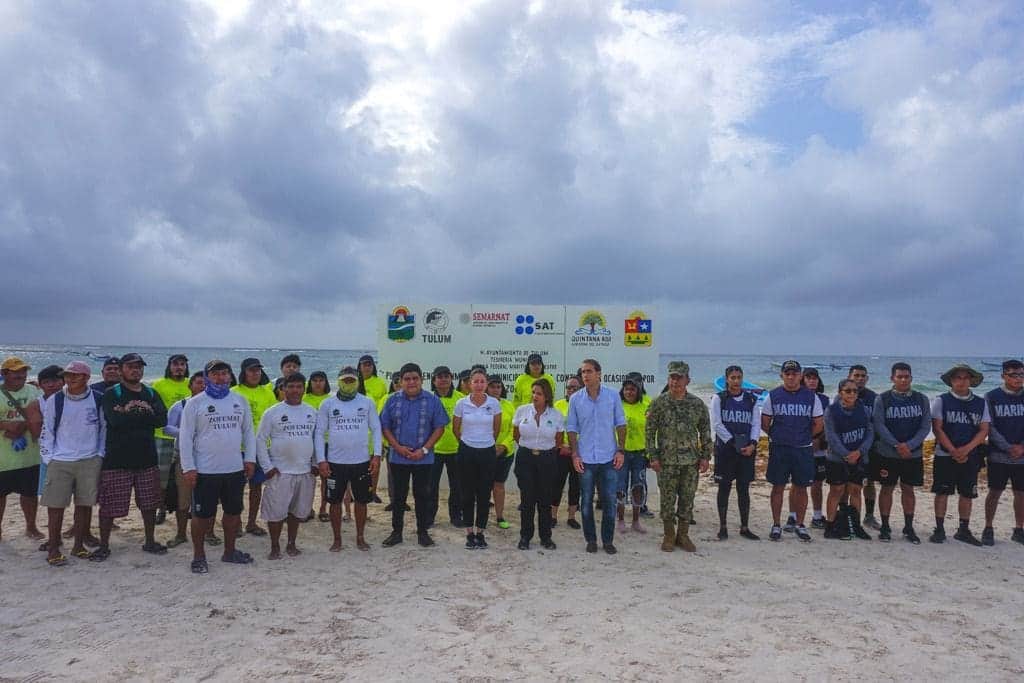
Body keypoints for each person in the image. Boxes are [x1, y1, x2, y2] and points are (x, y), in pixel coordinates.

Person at [179, 360, 257, 573]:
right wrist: (188, 468)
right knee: (202, 517)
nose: (220, 377)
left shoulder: (240, 400)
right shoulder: (195, 403)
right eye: (215, 374)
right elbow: (185, 438)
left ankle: (229, 552)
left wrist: (250, 459)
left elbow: (249, 432)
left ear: (230, 376)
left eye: (224, 373)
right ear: (207, 377)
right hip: (205, 470)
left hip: (234, 469)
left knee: (233, 513)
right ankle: (199, 556)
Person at [94, 353, 169, 561]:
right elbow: (115, 420)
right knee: (109, 506)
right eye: (131, 366)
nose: (135, 370)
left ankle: (150, 540)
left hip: (147, 458)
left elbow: (161, 419)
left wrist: (132, 416)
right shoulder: (112, 393)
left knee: (149, 503)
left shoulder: (151, 392)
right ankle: (104, 545)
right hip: (117, 459)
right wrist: (145, 415)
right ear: (121, 369)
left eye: (139, 367)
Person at [38, 361, 106, 566]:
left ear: (86, 378)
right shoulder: (56, 400)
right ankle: (53, 548)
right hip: (60, 460)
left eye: (75, 375)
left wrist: (100, 455)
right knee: (55, 506)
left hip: (90, 459)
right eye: (67, 375)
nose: (69, 379)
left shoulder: (98, 399)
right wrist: (49, 457)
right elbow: (47, 430)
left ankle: (78, 545)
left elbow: (103, 429)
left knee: (84, 505)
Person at [379, 363, 448, 547]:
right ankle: (396, 532)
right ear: (400, 381)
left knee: (422, 496)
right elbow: (385, 427)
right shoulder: (392, 400)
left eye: (415, 378)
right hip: (398, 457)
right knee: (398, 497)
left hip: (423, 459)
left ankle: (423, 533)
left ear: (422, 380)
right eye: (407, 379)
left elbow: (440, 427)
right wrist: (398, 447)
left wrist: (424, 449)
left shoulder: (432, 400)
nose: (411, 382)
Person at [646, 361, 711, 553]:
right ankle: (669, 534)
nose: (675, 381)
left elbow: (705, 432)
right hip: (666, 462)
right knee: (667, 500)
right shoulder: (658, 403)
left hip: (690, 462)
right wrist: (653, 456)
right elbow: (649, 433)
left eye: (679, 377)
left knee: (687, 499)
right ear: (668, 379)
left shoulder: (697, 405)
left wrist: (706, 456)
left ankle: (683, 535)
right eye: (672, 377)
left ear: (687, 380)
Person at [315, 366, 382, 552]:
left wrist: (376, 455)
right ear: (339, 381)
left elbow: (376, 429)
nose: (348, 383)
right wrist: (321, 460)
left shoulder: (367, 402)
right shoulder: (327, 404)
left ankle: (360, 538)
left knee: (361, 501)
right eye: (345, 380)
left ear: (357, 381)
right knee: (334, 502)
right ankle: (337, 539)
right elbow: (319, 433)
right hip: (335, 462)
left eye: (352, 380)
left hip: (361, 462)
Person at [255, 373, 318, 560]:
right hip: (280, 472)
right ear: (283, 389)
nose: (295, 390)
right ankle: (275, 546)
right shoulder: (272, 412)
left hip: (305, 471)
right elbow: (260, 440)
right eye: (291, 387)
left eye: (299, 387)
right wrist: (267, 467)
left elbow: (317, 439)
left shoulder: (311, 411)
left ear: (303, 389)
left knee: (297, 512)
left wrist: (315, 464)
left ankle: (291, 543)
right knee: (275, 513)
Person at [567, 358, 626, 554]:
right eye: (583, 372)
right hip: (585, 459)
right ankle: (591, 540)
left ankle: (607, 541)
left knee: (609, 501)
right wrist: (575, 454)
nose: (585, 375)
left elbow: (621, 424)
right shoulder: (576, 399)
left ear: (599, 374)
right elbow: (572, 429)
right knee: (586, 503)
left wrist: (620, 450)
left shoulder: (612, 396)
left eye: (589, 371)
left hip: (608, 457)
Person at [760, 360, 824, 542]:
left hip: (803, 449)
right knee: (778, 486)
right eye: (787, 373)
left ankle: (800, 525)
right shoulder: (773, 395)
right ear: (782, 375)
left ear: (800, 375)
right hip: (780, 449)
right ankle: (776, 524)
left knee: (801, 487)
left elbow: (819, 423)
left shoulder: (811, 397)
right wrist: (776, 435)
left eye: (794, 373)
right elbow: (765, 421)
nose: (791, 376)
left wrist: (804, 436)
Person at [929, 364, 990, 546]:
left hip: (970, 454)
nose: (961, 381)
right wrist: (953, 450)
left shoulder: (981, 403)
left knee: (967, 493)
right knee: (942, 492)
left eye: (965, 378)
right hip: (945, 454)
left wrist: (966, 449)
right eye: (958, 378)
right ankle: (939, 529)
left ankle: (963, 530)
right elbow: (937, 428)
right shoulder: (941, 400)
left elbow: (984, 430)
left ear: (971, 380)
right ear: (951, 381)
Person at [871, 362, 930, 544]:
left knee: (908, 489)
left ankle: (909, 527)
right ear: (892, 378)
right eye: (899, 376)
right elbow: (879, 425)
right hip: (888, 454)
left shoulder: (921, 399)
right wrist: (897, 445)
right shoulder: (883, 399)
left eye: (906, 376)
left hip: (912, 454)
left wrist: (910, 445)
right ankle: (886, 526)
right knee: (886, 488)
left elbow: (925, 425)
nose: (903, 380)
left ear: (911, 378)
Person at [452, 368, 502, 549]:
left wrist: (485, 442)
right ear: (469, 384)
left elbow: (496, 429)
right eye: (476, 382)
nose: (479, 385)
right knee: (466, 493)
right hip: (466, 452)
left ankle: (480, 532)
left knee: (483, 494)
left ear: (486, 384)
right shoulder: (461, 403)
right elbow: (456, 430)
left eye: (482, 382)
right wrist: (468, 443)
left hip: (487, 452)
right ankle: (469, 533)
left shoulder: (494, 404)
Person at [710, 365, 760, 541]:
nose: (736, 381)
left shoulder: (751, 400)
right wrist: (733, 443)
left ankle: (744, 527)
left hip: (746, 451)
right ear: (726, 380)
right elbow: (716, 424)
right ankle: (723, 527)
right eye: (733, 377)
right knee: (724, 487)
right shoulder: (719, 398)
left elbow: (755, 424)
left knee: (743, 489)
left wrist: (753, 444)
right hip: (726, 451)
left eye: (739, 377)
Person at [513, 378, 564, 550]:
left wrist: (543, 450)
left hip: (547, 459)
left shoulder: (556, 415)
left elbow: (558, 440)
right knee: (527, 500)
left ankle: (546, 537)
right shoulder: (522, 411)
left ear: (547, 396)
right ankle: (525, 537)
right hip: (526, 457)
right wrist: (529, 448)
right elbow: (516, 435)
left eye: (539, 393)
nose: (535, 396)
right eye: (533, 392)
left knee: (545, 500)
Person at [163, 371, 212, 548]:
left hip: (208, 458)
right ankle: (181, 534)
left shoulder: (214, 406)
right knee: (183, 499)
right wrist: (187, 434)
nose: (202, 386)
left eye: (205, 383)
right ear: (190, 385)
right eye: (198, 383)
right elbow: (166, 428)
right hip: (184, 457)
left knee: (209, 498)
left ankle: (209, 533)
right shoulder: (180, 405)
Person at [823, 379, 874, 540]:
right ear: (840, 393)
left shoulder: (864, 410)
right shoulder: (831, 411)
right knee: (836, 490)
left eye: (854, 391)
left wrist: (859, 452)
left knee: (855, 490)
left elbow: (870, 433)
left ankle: (856, 525)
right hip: (837, 458)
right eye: (848, 390)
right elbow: (831, 436)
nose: (852, 393)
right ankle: (830, 525)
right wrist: (846, 454)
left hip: (859, 457)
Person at [0, 357, 44, 542]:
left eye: (23, 371)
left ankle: (31, 527)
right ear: (4, 374)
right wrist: (6, 425)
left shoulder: (34, 390)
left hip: (30, 455)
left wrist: (23, 426)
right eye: (15, 371)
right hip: (3, 458)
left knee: (29, 494)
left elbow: (46, 411)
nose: (21, 375)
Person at [231, 357, 276, 536]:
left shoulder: (267, 393)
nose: (255, 373)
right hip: (238, 448)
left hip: (261, 448)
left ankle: (251, 523)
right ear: (244, 372)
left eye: (258, 370)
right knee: (236, 488)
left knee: (256, 486)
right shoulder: (234, 392)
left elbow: (274, 420)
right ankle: (236, 523)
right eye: (251, 370)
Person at [983, 359, 1024, 546]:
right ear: (1003, 376)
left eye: (1021, 374)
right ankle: (989, 527)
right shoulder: (991, 396)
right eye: (1013, 374)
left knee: (1021, 493)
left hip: (1022, 455)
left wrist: (1021, 447)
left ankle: (1019, 529)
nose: (1018, 378)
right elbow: (988, 426)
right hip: (998, 454)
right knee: (994, 492)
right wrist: (1008, 447)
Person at [784, 368, 828, 531]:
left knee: (817, 483)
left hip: (818, 448)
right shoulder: (796, 397)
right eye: (808, 378)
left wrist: (819, 440)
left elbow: (826, 423)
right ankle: (792, 516)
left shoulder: (824, 399)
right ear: (802, 380)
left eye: (815, 378)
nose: (812, 381)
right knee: (797, 483)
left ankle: (817, 516)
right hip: (800, 446)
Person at [151, 354, 191, 526]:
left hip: (187, 439)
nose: (179, 367)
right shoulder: (159, 384)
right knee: (162, 477)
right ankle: (161, 508)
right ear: (169, 366)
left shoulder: (191, 384)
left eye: (182, 364)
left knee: (184, 476)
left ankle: (185, 508)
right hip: (163, 436)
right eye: (175, 364)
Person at [427, 366, 464, 528]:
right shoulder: (427, 399)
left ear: (451, 378)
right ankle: (429, 517)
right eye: (439, 377)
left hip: (456, 450)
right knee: (430, 487)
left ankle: (456, 516)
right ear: (434, 381)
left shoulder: (462, 399)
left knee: (457, 486)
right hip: (433, 450)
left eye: (446, 376)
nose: (443, 379)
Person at [847, 365, 881, 530]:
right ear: (850, 377)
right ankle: (846, 515)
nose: (859, 378)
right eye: (856, 375)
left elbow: (877, 423)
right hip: (848, 448)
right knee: (847, 484)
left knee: (869, 482)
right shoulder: (842, 396)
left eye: (863, 376)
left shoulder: (874, 398)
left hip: (869, 447)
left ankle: (869, 516)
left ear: (867, 378)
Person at [617, 375, 648, 534]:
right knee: (620, 486)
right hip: (621, 453)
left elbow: (652, 430)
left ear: (638, 391)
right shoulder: (616, 405)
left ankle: (636, 521)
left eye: (633, 389)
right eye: (627, 389)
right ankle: (621, 520)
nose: (629, 392)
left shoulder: (646, 404)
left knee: (638, 487)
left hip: (640, 454)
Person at [486, 375, 516, 530]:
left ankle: (499, 517)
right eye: (492, 386)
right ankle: (482, 517)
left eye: (498, 387)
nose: (496, 390)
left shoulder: (509, 405)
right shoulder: (480, 405)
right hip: (484, 451)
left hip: (505, 453)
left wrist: (503, 446)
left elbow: (513, 430)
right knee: (483, 486)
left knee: (499, 486)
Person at [552, 376, 582, 529]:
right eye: (569, 387)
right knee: (557, 484)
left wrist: (576, 449)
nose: (571, 390)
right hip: (561, 452)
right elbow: (552, 428)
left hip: (579, 453)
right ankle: (553, 516)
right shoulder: (558, 405)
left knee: (576, 486)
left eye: (574, 388)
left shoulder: (586, 405)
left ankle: (571, 517)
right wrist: (560, 446)